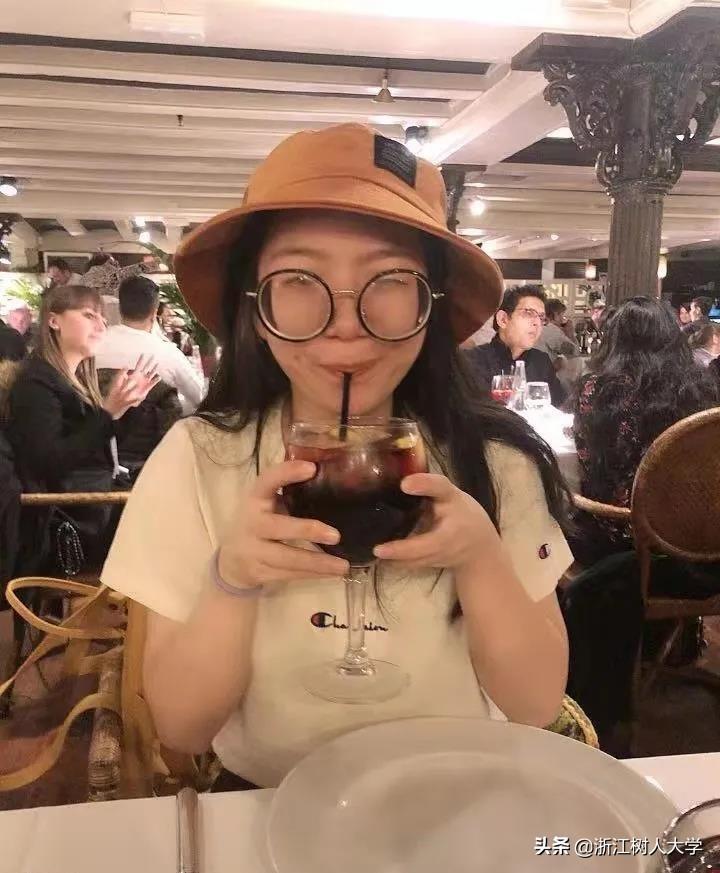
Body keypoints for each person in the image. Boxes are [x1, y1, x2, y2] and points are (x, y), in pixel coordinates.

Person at [101, 123, 572, 789]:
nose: (346, 322)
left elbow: (537, 703)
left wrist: (481, 559)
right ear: (254, 304)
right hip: (265, 801)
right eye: (299, 278)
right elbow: (180, 727)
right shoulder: (197, 458)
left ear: (430, 303)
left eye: (389, 278)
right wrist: (231, 579)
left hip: (456, 799)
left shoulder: (494, 461)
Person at [7, 285, 158, 569]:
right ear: (54, 321)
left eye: (103, 318)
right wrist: (107, 413)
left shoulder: (73, 379)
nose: (101, 325)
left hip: (91, 505)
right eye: (89, 315)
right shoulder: (35, 384)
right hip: (66, 519)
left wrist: (128, 407)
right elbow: (48, 463)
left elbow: (98, 447)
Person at [572, 296, 718, 564]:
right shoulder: (699, 387)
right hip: (697, 530)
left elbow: (589, 464)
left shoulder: (597, 390)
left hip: (628, 532)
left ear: (614, 339)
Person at [95, 275, 204, 414]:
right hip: (157, 427)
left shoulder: (92, 344)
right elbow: (199, 398)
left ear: (120, 308)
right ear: (154, 313)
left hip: (99, 425)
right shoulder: (168, 354)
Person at [464, 285, 567, 407]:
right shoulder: (472, 361)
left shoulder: (541, 362)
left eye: (541, 318)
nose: (537, 323)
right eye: (528, 313)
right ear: (503, 319)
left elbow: (560, 407)